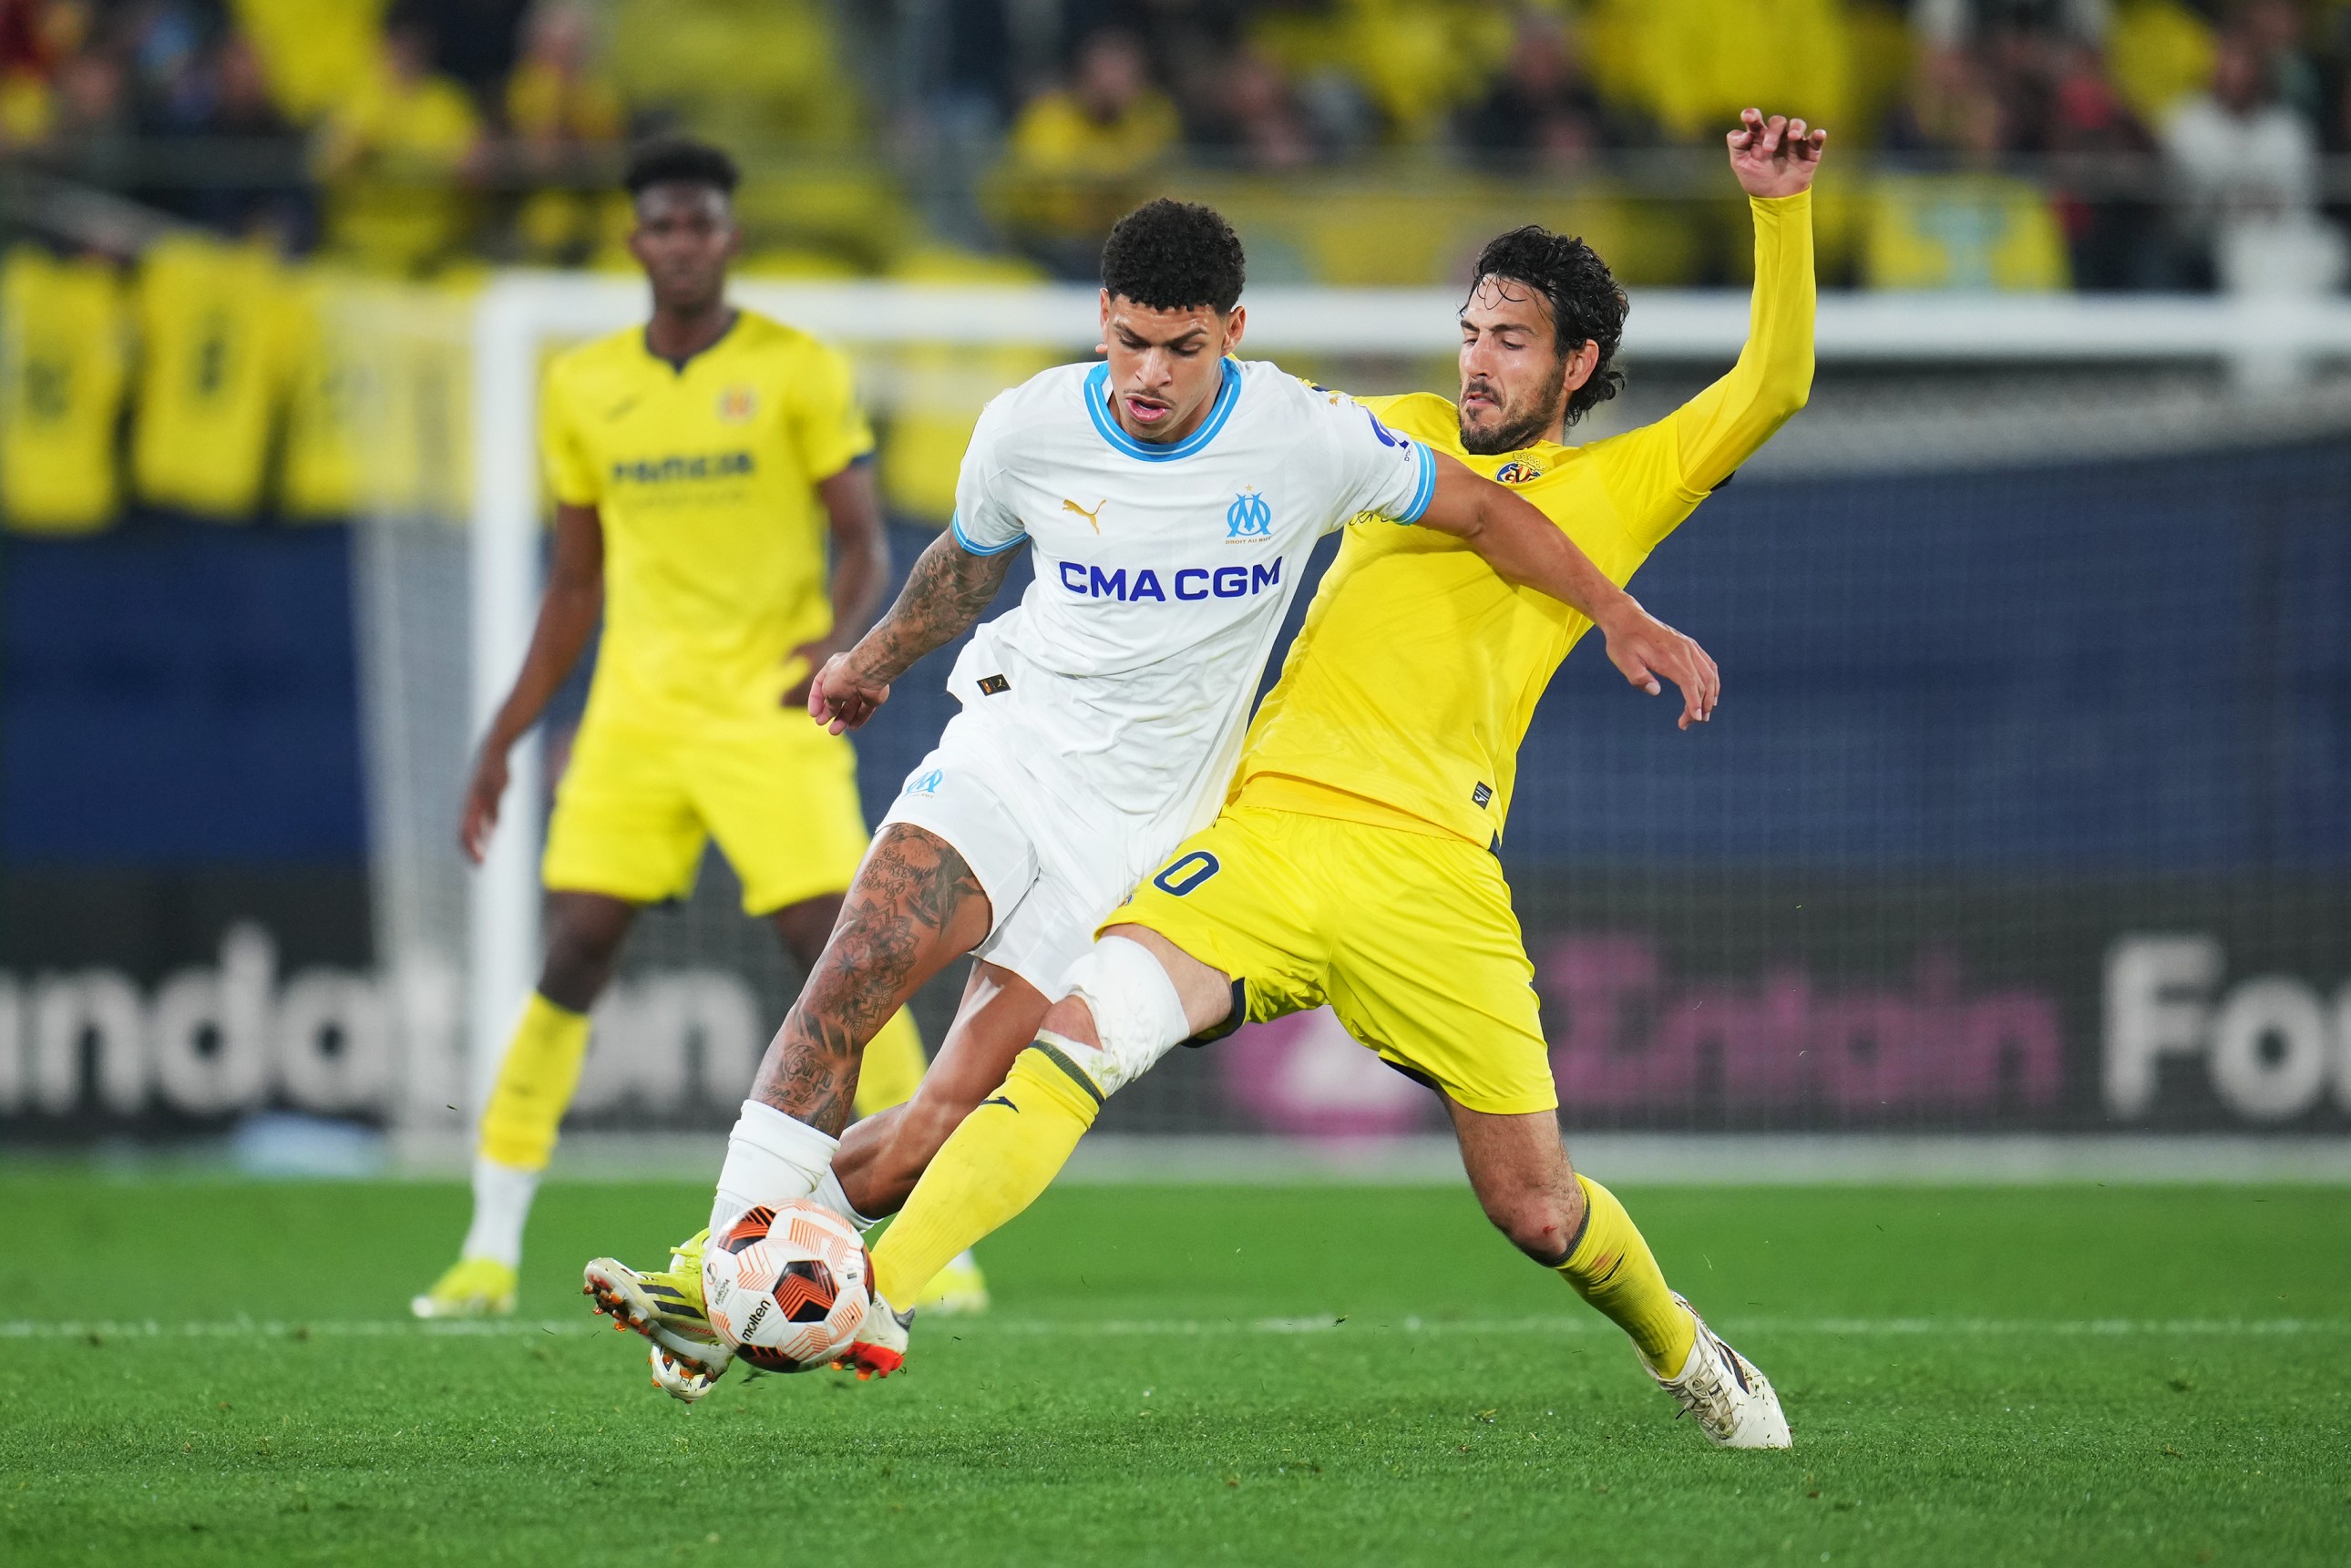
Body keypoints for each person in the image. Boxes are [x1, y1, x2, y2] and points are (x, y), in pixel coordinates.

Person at [584, 195, 1718, 1399]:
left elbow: (1489, 509)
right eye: (1128, 341)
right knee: (849, 981)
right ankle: (714, 1290)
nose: (1149, 376)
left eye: (1183, 349)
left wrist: (1616, 610)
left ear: (1232, 331)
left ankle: (742, 1280)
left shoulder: (1305, 438)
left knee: (935, 1128)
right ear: (1102, 323)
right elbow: (960, 571)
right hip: (1008, 757)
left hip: (1140, 836)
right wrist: (868, 664)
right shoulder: (1027, 426)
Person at [857, 108, 1825, 1449]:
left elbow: (1773, 386)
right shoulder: (1396, 432)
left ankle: (1689, 1352)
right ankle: (868, 1294)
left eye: (1513, 340)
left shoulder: (1624, 483)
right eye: (1473, 330)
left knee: (1536, 1210)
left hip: (1434, 874)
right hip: (1264, 837)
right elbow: (1237, 438)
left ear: (1578, 362)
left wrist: (1778, 212)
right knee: (1078, 1034)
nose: (1478, 362)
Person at [410, 138, 965, 1321]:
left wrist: (834, 640)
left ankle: (934, 1241)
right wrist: (507, 734)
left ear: (730, 236)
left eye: (700, 223)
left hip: (768, 711)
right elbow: (573, 587)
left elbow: (865, 537)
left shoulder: (797, 368)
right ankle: (489, 1244)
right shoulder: (583, 387)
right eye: (661, 224)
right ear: (635, 240)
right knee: (574, 952)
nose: (681, 243)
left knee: (849, 962)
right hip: (635, 718)